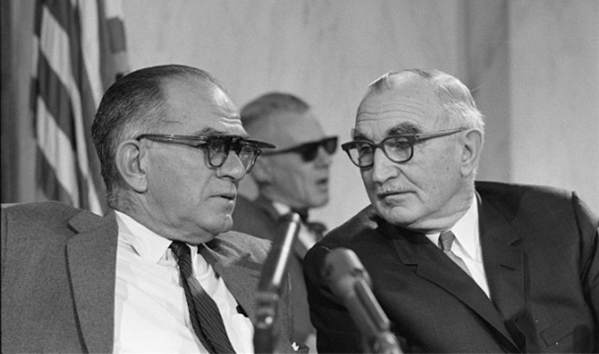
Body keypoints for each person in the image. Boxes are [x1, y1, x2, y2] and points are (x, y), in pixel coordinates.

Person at [1, 64, 301, 353]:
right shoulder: (24, 239)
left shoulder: (260, 263)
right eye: (214, 147)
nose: (236, 169)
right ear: (136, 164)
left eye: (240, 150)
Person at [303, 69, 599, 353]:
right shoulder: (345, 265)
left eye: (401, 144)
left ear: (467, 151)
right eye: (366, 149)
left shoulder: (560, 220)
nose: (379, 174)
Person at [232, 92, 337, 352]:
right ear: (262, 168)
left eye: (328, 145)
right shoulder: (244, 226)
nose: (325, 160)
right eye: (309, 152)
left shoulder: (320, 234)